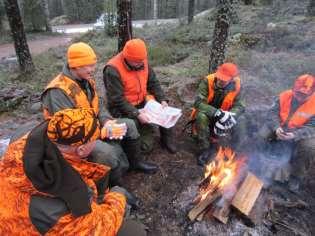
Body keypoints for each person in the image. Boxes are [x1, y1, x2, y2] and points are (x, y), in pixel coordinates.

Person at [0, 108, 146, 235]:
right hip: (33, 227)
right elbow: (97, 230)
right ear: (81, 149)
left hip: (14, 213)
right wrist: (117, 197)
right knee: (135, 231)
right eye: (95, 138)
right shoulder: (66, 200)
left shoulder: (25, 145)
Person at [41, 42, 158, 184]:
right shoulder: (57, 92)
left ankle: (136, 163)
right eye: (89, 66)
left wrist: (107, 121)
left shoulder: (86, 80)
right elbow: (70, 133)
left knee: (130, 125)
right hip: (76, 144)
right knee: (108, 154)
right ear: (76, 66)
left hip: (95, 127)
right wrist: (101, 132)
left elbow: (99, 105)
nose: (93, 69)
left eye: (93, 64)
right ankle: (116, 186)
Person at [103, 38, 177, 155]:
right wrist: (137, 114)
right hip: (122, 109)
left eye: (142, 60)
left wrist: (162, 99)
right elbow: (117, 99)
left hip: (142, 102)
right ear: (127, 58)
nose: (141, 63)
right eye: (137, 62)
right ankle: (126, 146)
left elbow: (153, 83)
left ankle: (166, 139)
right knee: (145, 146)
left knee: (165, 111)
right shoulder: (112, 69)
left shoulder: (142, 60)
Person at [259, 74, 315, 191]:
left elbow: (312, 127)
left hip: (301, 133)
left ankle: (296, 177)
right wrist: (276, 127)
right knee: (262, 133)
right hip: (281, 128)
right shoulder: (285, 96)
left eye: (303, 95)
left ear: (311, 93)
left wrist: (296, 135)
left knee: (309, 147)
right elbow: (272, 113)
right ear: (294, 88)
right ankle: (259, 163)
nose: (299, 97)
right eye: (297, 93)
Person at [191, 63, 245, 165]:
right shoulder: (208, 80)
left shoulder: (237, 86)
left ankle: (233, 150)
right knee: (201, 116)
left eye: (224, 80)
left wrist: (230, 115)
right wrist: (217, 113)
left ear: (232, 79)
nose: (220, 81)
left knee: (241, 120)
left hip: (225, 116)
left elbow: (240, 105)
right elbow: (198, 103)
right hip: (208, 114)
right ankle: (204, 149)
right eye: (220, 77)